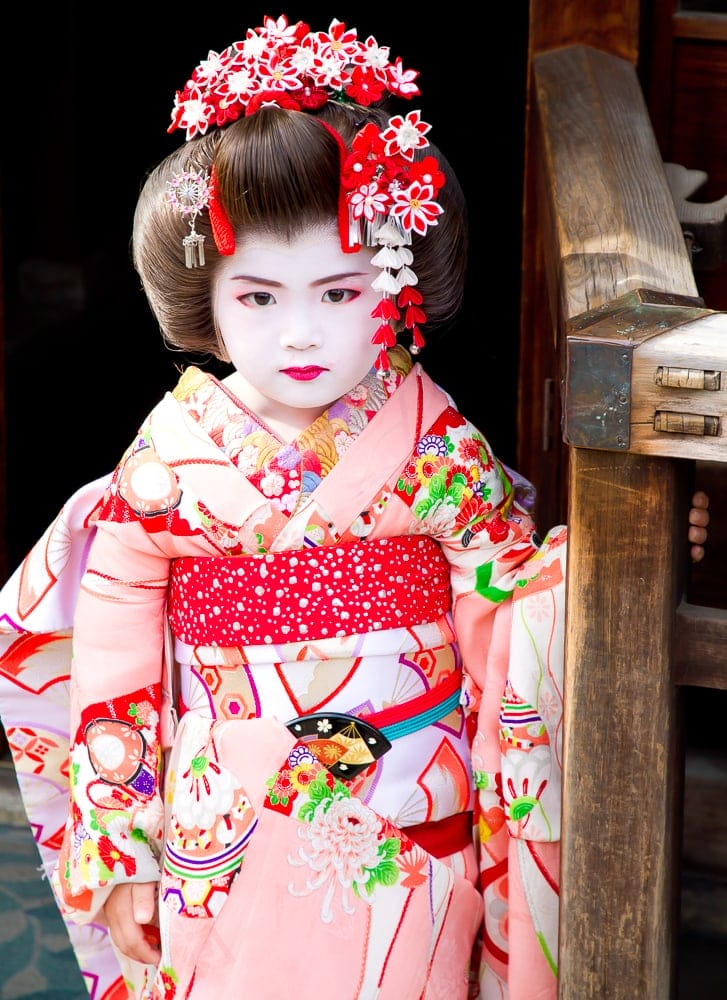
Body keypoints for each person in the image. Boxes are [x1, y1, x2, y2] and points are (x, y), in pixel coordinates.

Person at [0, 14, 711, 1000]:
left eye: (338, 294)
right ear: (208, 296)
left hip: (405, 791)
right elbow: (113, 670)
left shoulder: (429, 438)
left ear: (397, 286)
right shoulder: (169, 459)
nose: (300, 333)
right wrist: (120, 850)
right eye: (259, 298)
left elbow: (505, 585)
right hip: (226, 809)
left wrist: (612, 553)